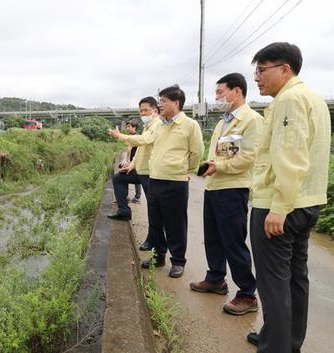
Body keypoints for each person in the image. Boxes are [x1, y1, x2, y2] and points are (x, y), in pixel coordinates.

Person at [247, 42, 331, 353]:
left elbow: (290, 158)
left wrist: (279, 208)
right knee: (295, 277)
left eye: (262, 70)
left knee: (273, 283)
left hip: (281, 205)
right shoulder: (313, 99)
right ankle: (286, 340)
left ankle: (276, 346)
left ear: (285, 69)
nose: (257, 77)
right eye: (255, 71)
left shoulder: (289, 100)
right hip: (307, 202)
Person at [189, 73, 262, 315]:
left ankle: (247, 293)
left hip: (233, 189)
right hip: (214, 187)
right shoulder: (222, 122)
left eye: (220, 92)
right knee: (213, 238)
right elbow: (221, 154)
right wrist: (212, 164)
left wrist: (219, 166)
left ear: (237, 91)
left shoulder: (251, 120)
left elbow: (248, 157)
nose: (217, 97)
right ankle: (216, 278)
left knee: (233, 242)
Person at [115, 85, 204, 277]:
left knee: (176, 223)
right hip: (155, 179)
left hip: (176, 181)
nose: (160, 105)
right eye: (160, 100)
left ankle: (178, 261)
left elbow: (197, 153)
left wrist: (185, 170)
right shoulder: (159, 125)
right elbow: (145, 140)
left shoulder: (189, 125)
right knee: (155, 221)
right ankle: (158, 256)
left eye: (163, 101)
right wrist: (122, 137)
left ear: (176, 103)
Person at [107, 97, 160, 223]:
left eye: (146, 110)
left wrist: (119, 136)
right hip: (140, 170)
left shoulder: (157, 125)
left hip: (149, 173)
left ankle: (153, 239)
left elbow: (143, 140)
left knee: (153, 207)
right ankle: (124, 211)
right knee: (118, 178)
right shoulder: (147, 125)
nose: (142, 113)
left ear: (155, 110)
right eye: (141, 111)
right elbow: (142, 148)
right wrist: (132, 164)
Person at [125, 120, 142, 203]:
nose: (127, 128)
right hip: (136, 160)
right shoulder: (137, 135)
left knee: (125, 176)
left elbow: (129, 149)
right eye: (127, 126)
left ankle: (129, 197)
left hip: (135, 161)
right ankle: (137, 197)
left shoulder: (135, 137)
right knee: (137, 179)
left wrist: (127, 160)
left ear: (134, 127)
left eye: (129, 126)